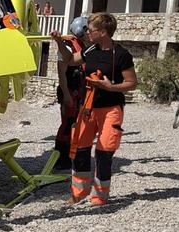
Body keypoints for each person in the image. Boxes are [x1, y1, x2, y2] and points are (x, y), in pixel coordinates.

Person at [54, 12, 137, 206]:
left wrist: (110, 87)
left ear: (103, 32)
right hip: (88, 107)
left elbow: (132, 83)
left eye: (90, 30)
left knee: (104, 151)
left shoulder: (122, 55)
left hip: (111, 109)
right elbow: (69, 59)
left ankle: (100, 196)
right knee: (80, 150)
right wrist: (59, 42)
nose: (87, 33)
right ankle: (78, 194)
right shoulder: (90, 49)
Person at [48, 16, 89, 186]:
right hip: (69, 90)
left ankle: (70, 156)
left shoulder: (84, 46)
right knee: (67, 123)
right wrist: (66, 94)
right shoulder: (67, 45)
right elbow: (61, 70)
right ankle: (60, 158)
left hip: (79, 90)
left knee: (75, 124)